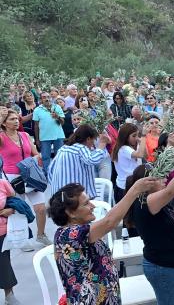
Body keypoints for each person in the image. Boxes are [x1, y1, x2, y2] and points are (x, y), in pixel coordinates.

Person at [49, 178, 160, 305]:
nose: (93, 206)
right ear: (70, 213)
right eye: (86, 204)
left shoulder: (82, 231)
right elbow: (109, 221)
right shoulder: (68, 235)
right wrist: (134, 190)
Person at [126, 147, 174, 305]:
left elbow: (170, 228)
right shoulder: (146, 201)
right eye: (159, 176)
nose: (164, 177)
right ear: (147, 183)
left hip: (167, 262)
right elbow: (172, 191)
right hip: (161, 266)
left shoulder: (153, 199)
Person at [0, 110, 50, 247]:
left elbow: (35, 153)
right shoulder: (2, 137)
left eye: (17, 119)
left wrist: (37, 158)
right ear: (4, 123)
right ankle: (22, 238)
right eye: (11, 119)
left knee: (40, 208)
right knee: (19, 209)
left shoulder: (25, 135)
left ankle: (41, 235)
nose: (16, 121)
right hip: (13, 177)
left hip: (31, 175)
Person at [48, 124, 110, 197]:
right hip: (74, 197)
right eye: (93, 140)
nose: (92, 144)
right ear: (88, 139)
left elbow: (50, 170)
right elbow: (92, 160)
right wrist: (102, 144)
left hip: (59, 194)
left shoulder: (63, 148)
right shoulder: (80, 148)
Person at [111, 123, 148, 203]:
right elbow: (140, 154)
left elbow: (145, 155)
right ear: (125, 136)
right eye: (134, 136)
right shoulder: (124, 149)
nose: (136, 138)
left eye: (137, 135)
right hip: (125, 187)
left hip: (132, 185)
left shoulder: (134, 146)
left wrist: (142, 143)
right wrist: (144, 136)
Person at [33, 92, 66, 175]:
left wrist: (57, 117)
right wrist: (37, 140)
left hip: (58, 136)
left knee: (59, 156)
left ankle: (59, 174)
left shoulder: (57, 107)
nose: (47, 99)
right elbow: (36, 126)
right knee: (45, 157)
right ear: (41, 99)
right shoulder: (37, 110)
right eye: (44, 97)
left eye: (48, 97)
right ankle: (47, 176)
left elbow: (62, 122)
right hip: (44, 137)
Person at [0, 179, 19, 305]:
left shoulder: (2, 183)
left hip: (2, 231)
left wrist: (11, 209)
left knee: (4, 262)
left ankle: (9, 295)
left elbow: (14, 200)